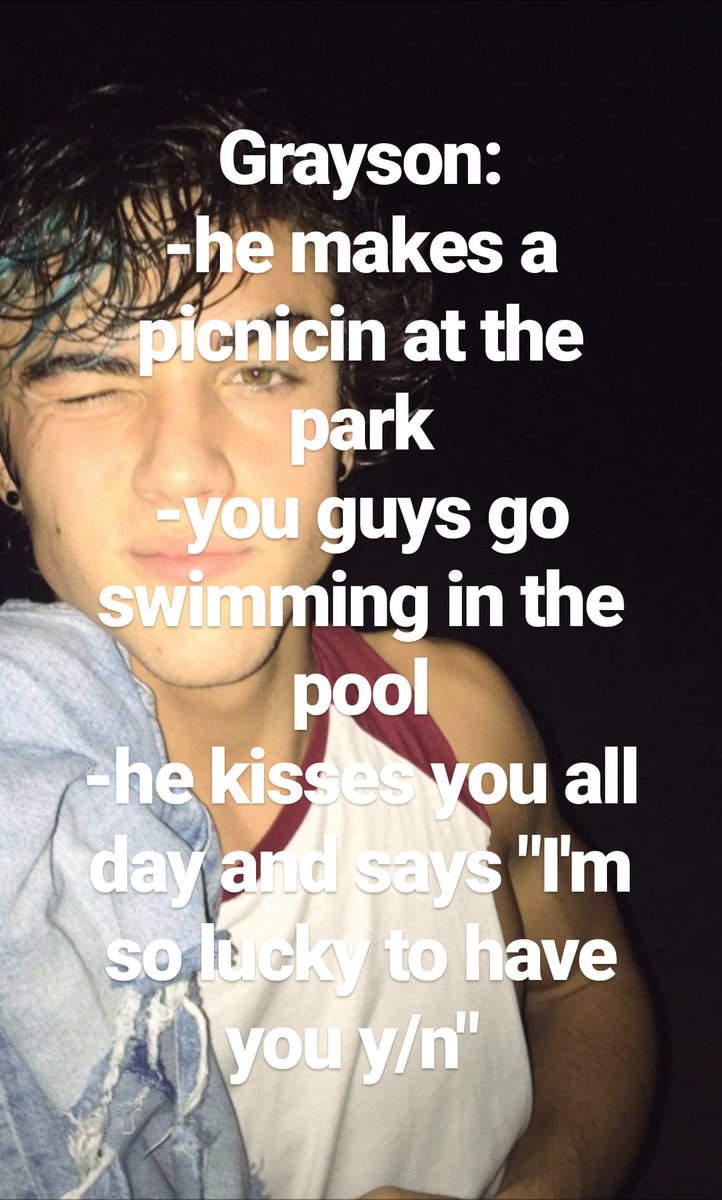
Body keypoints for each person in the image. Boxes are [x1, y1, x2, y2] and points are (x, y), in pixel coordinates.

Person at [0, 84, 654, 1200]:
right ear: (6, 458)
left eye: (261, 371)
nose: (186, 470)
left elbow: (577, 984)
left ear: (348, 427)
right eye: (94, 381)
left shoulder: (451, 720)